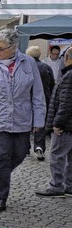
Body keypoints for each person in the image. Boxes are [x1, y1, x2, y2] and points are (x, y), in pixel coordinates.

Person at [0, 29, 46, 211]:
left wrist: (39, 120)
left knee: (21, 152)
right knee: (1, 157)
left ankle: (0, 176)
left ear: (13, 47)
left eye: (1, 48)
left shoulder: (28, 62)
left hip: (22, 117)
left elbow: (37, 92)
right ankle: (1, 196)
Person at [36, 50, 72, 197]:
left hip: (66, 126)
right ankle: (69, 185)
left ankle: (57, 185)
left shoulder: (69, 75)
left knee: (57, 155)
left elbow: (66, 103)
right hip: (70, 125)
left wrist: (57, 123)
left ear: (67, 58)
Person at [26, 46, 55, 161]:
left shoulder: (26, 67)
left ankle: (25, 148)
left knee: (26, 123)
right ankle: (39, 146)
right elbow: (52, 84)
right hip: (44, 99)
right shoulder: (46, 67)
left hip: (27, 99)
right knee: (40, 124)